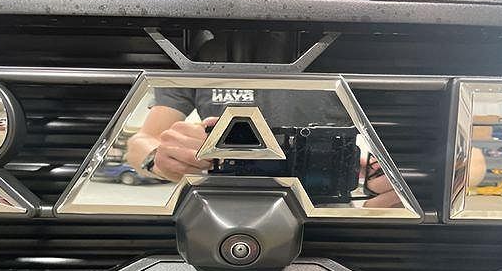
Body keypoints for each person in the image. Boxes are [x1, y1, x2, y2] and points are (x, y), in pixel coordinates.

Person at [127, 31, 403, 207]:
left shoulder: (354, 54)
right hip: (220, 207)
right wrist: (157, 157)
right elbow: (141, 141)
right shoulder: (196, 56)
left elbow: (411, 136)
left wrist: (404, 177)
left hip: (324, 209)